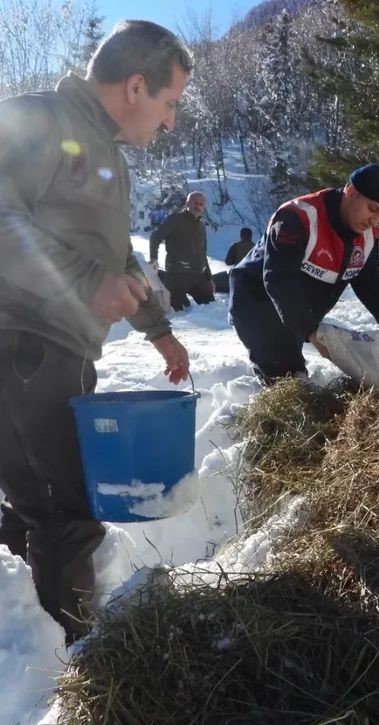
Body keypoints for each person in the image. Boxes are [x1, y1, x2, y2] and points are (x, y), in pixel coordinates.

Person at [0, 20, 193, 644]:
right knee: (66, 509)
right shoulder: (38, 121)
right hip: (18, 345)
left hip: (59, 352)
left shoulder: (106, 153)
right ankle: (77, 672)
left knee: (40, 497)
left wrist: (157, 330)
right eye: (170, 104)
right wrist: (86, 283)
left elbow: (119, 259)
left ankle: (26, 622)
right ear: (136, 86)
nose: (171, 124)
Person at [229, 164, 379, 383]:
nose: (375, 220)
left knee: (294, 371)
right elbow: (279, 279)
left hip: (296, 309)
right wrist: (310, 331)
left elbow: (368, 278)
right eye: (372, 209)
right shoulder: (298, 217)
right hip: (257, 300)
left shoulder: (368, 234)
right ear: (351, 192)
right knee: (287, 378)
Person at [149, 191, 215, 311]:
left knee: (211, 309)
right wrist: (154, 258)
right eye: (195, 203)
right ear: (187, 203)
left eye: (201, 204)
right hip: (176, 275)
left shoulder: (201, 227)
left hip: (198, 276)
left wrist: (209, 279)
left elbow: (202, 254)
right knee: (177, 313)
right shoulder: (175, 219)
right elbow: (155, 237)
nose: (198, 206)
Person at [213, 226, 255, 293]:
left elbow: (228, 261)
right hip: (252, 280)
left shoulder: (236, 246)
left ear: (241, 236)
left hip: (237, 277)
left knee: (213, 279)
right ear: (251, 237)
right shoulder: (256, 247)